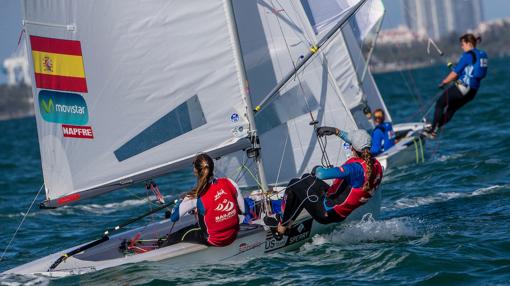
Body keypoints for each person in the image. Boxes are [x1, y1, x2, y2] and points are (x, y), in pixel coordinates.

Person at [266, 128, 383, 237]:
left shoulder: (355, 169)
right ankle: (289, 221)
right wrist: (335, 131)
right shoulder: (375, 165)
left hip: (326, 214)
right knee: (306, 178)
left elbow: (322, 174)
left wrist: (317, 169)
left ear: (352, 148)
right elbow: (355, 142)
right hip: (337, 208)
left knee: (294, 183)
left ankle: (281, 228)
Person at [162, 153, 246, 247]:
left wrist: (180, 202)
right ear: (212, 167)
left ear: (195, 171)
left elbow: (174, 217)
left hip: (214, 241)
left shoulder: (195, 195)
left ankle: (162, 247)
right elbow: (244, 211)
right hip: (233, 234)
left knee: (176, 236)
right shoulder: (229, 182)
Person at [425, 33, 488, 137]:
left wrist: (444, 82)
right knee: (451, 108)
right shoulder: (482, 54)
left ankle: (432, 129)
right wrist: (458, 76)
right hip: (472, 92)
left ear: (469, 43)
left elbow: (455, 73)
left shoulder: (468, 55)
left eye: (463, 44)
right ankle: (435, 128)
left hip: (463, 88)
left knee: (440, 103)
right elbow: (471, 72)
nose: (462, 47)